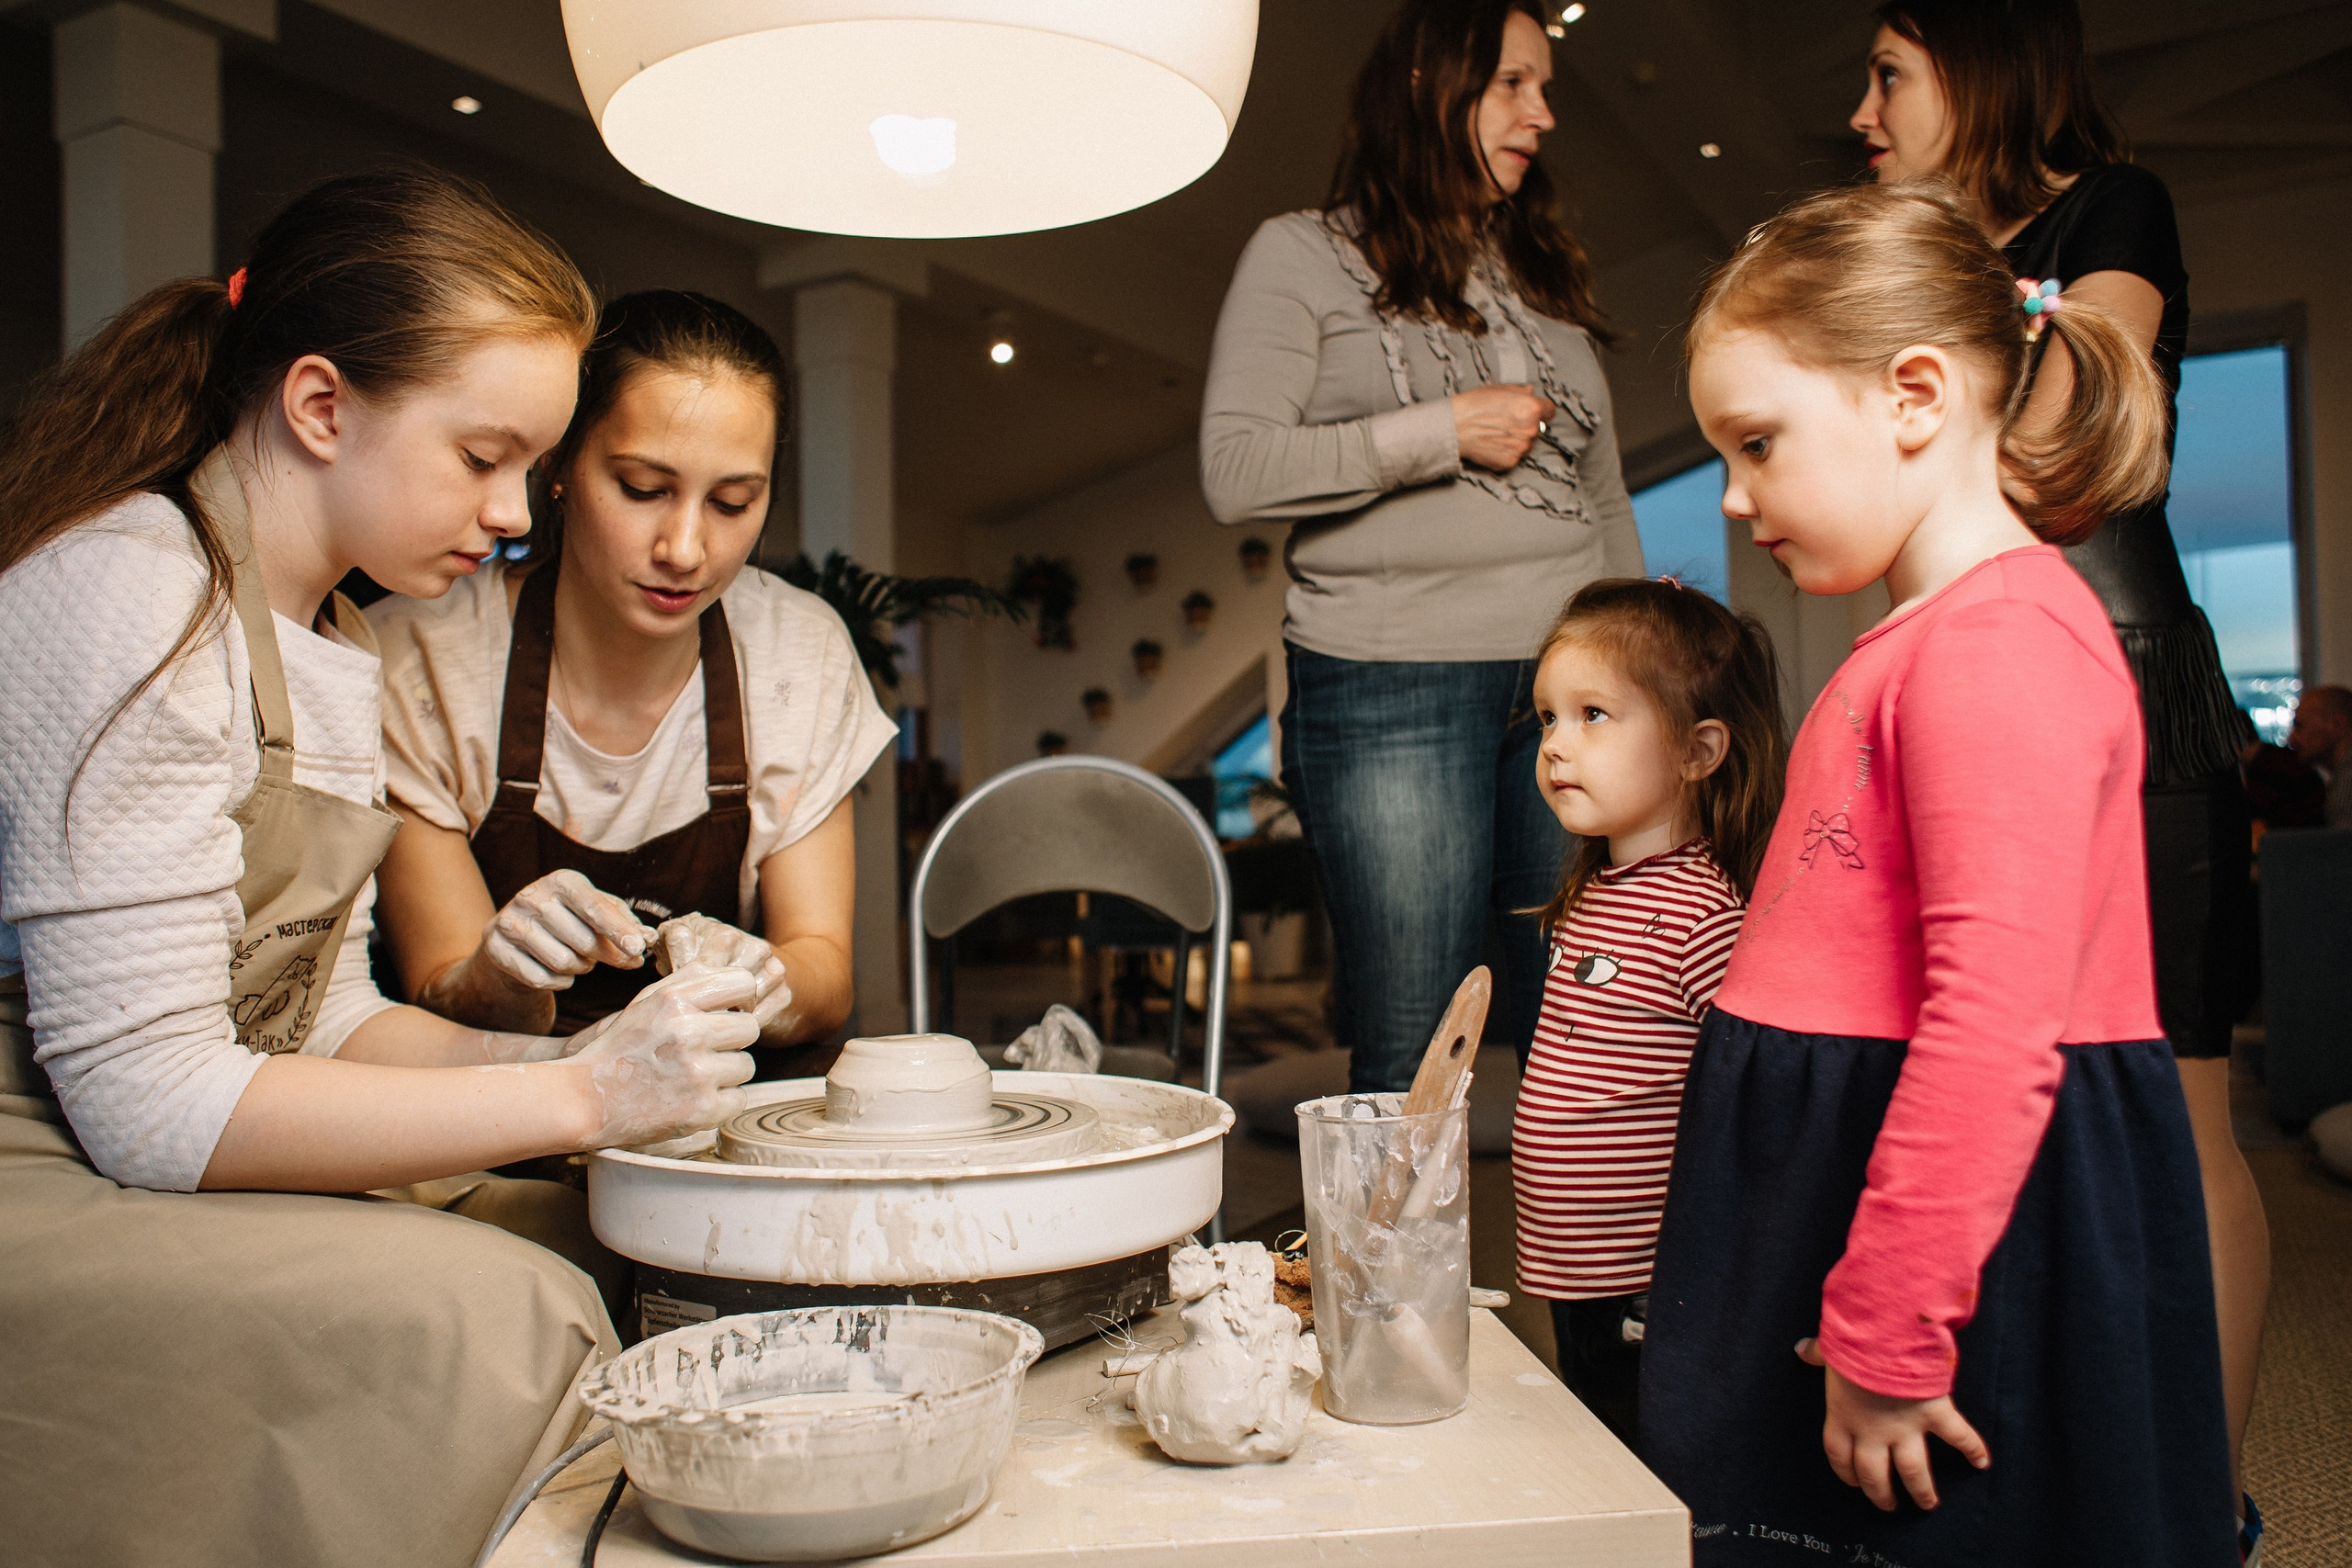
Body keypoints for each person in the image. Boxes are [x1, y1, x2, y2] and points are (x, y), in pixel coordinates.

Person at [0, 169, 763, 1568]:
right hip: (39, 1161)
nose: (517, 513)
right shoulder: (130, 590)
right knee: (509, 1314)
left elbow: (326, 1019)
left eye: (531, 468)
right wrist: (579, 1088)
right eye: (483, 458)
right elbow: (146, 1103)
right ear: (320, 406)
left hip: (172, 1122)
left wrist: (600, 1076)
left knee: (632, 1235)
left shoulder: (336, 649)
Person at [1642, 181, 2233, 1564]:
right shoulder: (1925, 636)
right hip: (1837, 1183)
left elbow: (1993, 1022)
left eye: (1758, 441)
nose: (1735, 494)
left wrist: (1894, 1325)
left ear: (1913, 395)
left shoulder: (2001, 644)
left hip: (1941, 1252)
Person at [1852, 6, 2267, 1540]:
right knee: (1989, 1089)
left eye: (1887, 74)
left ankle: (2203, 1501)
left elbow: (2068, 429)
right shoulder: (1917, 255)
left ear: (1983, 60)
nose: (1862, 113)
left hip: (2131, 678)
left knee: (2183, 1106)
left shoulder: (2117, 208)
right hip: (1960, 674)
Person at [1201, 0, 1643, 1093]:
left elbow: (1605, 493)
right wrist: (1438, 432)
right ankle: (1394, 1275)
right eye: (1511, 84)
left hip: (1568, 688)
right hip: (1389, 683)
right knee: (1415, 1044)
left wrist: (1642, 662)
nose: (1541, 114)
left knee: (1586, 1039)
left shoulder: (1542, 280)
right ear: (1424, 88)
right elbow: (1235, 468)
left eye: (1544, 87)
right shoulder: (1301, 253)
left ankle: (1584, 1272)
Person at [370, 290, 893, 1070]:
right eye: (644, 489)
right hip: (502, 1107)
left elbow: (823, 969)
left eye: (731, 502)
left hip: (720, 1102)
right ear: (559, 468)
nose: (685, 548)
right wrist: (503, 971)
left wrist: (763, 980)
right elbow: (440, 985)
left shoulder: (798, 654)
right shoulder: (421, 661)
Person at [1510, 577, 1785, 1444]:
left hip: (1648, 1274)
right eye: (1548, 717)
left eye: (1593, 714)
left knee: (1653, 1462)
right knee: (1598, 1437)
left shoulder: (1702, 916)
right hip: (1576, 1262)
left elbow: (1763, 1092)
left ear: (1699, 749)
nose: (1556, 744)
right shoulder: (1596, 892)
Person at [2288, 683, 2352, 829]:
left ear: (2338, 723)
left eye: (2299, 725)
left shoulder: (2348, 780)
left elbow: (2343, 849)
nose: (2291, 739)